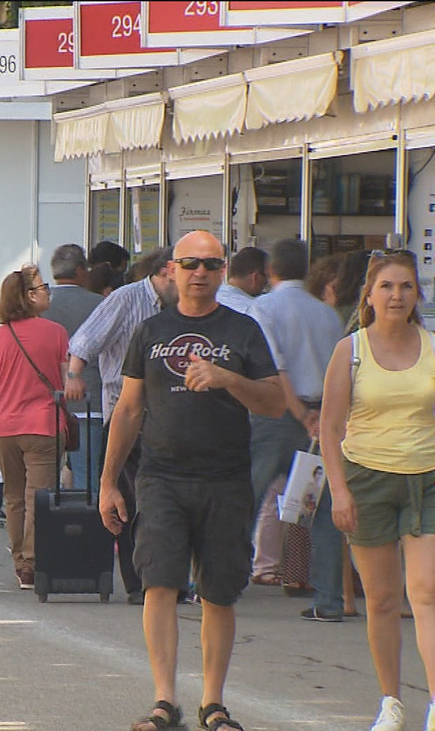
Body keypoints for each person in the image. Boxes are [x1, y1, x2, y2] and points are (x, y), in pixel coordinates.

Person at [99, 231, 283, 731]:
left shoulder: (243, 330)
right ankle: (165, 700)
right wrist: (109, 482)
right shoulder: (151, 331)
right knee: (159, 582)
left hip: (225, 478)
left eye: (210, 264)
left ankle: (213, 703)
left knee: (218, 592)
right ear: (171, 271)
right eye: (189, 263)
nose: (200, 272)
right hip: (161, 476)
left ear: (223, 272)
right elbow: (128, 409)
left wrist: (229, 379)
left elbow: (274, 402)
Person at [319, 249, 435, 731]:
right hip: (366, 479)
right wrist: (340, 492)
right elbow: (329, 428)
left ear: (417, 294)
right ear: (369, 295)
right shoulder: (351, 351)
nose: (396, 295)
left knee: (426, 591)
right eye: (386, 286)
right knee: (383, 599)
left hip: (427, 479)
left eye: (406, 286)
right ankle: (392, 701)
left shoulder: (432, 347)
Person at [66, 247, 175, 604]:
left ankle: (168, 576)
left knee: (167, 499)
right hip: (126, 414)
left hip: (171, 417)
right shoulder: (127, 299)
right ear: (167, 272)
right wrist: (74, 375)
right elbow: (85, 340)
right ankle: (139, 582)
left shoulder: (185, 307)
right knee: (130, 500)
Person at [244, 239, 345, 621]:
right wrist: (319, 418)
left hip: (276, 416)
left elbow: (276, 369)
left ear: (270, 271)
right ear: (307, 270)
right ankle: (329, 599)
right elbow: (339, 372)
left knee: (247, 499)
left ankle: (220, 585)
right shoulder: (328, 314)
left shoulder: (262, 308)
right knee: (323, 510)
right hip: (323, 417)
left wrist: (300, 413)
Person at [0, 264, 69, 590]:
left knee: (13, 496)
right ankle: (32, 563)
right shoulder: (56, 332)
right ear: (29, 296)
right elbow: (65, 381)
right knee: (39, 496)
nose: (48, 292)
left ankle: (19, 560)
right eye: (43, 287)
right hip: (43, 425)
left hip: (3, 427)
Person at [42, 244, 105, 493]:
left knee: (42, 481)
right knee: (87, 479)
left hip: (46, 405)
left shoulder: (40, 306)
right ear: (80, 270)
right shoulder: (101, 304)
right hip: (90, 402)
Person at [215, 246, 268, 315]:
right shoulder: (253, 310)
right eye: (267, 277)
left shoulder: (210, 297)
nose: (267, 282)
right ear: (256, 277)